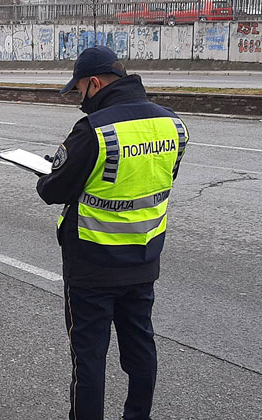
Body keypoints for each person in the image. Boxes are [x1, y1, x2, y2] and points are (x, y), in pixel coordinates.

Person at [36, 46, 188, 420]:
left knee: (88, 359)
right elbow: (155, 183)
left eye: (79, 91)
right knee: (140, 349)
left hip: (92, 265)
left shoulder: (94, 130)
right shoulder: (174, 125)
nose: (79, 100)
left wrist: (48, 174)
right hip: (143, 258)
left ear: (94, 83)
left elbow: (53, 191)